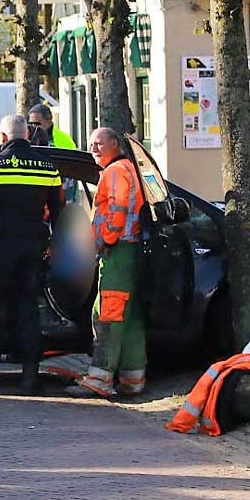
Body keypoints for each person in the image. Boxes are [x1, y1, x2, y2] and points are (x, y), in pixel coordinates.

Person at [0, 113, 63, 395]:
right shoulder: (47, 166)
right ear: (27, 135)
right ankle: (29, 377)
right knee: (28, 309)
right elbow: (59, 211)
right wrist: (54, 241)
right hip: (32, 245)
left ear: (3, 138)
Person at [78, 127, 147, 399]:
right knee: (130, 317)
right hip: (130, 251)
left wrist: (105, 240)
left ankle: (99, 379)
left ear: (115, 145)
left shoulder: (115, 172)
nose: (93, 149)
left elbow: (117, 211)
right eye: (90, 144)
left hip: (118, 251)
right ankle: (133, 379)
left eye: (98, 144)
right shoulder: (129, 168)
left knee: (107, 313)